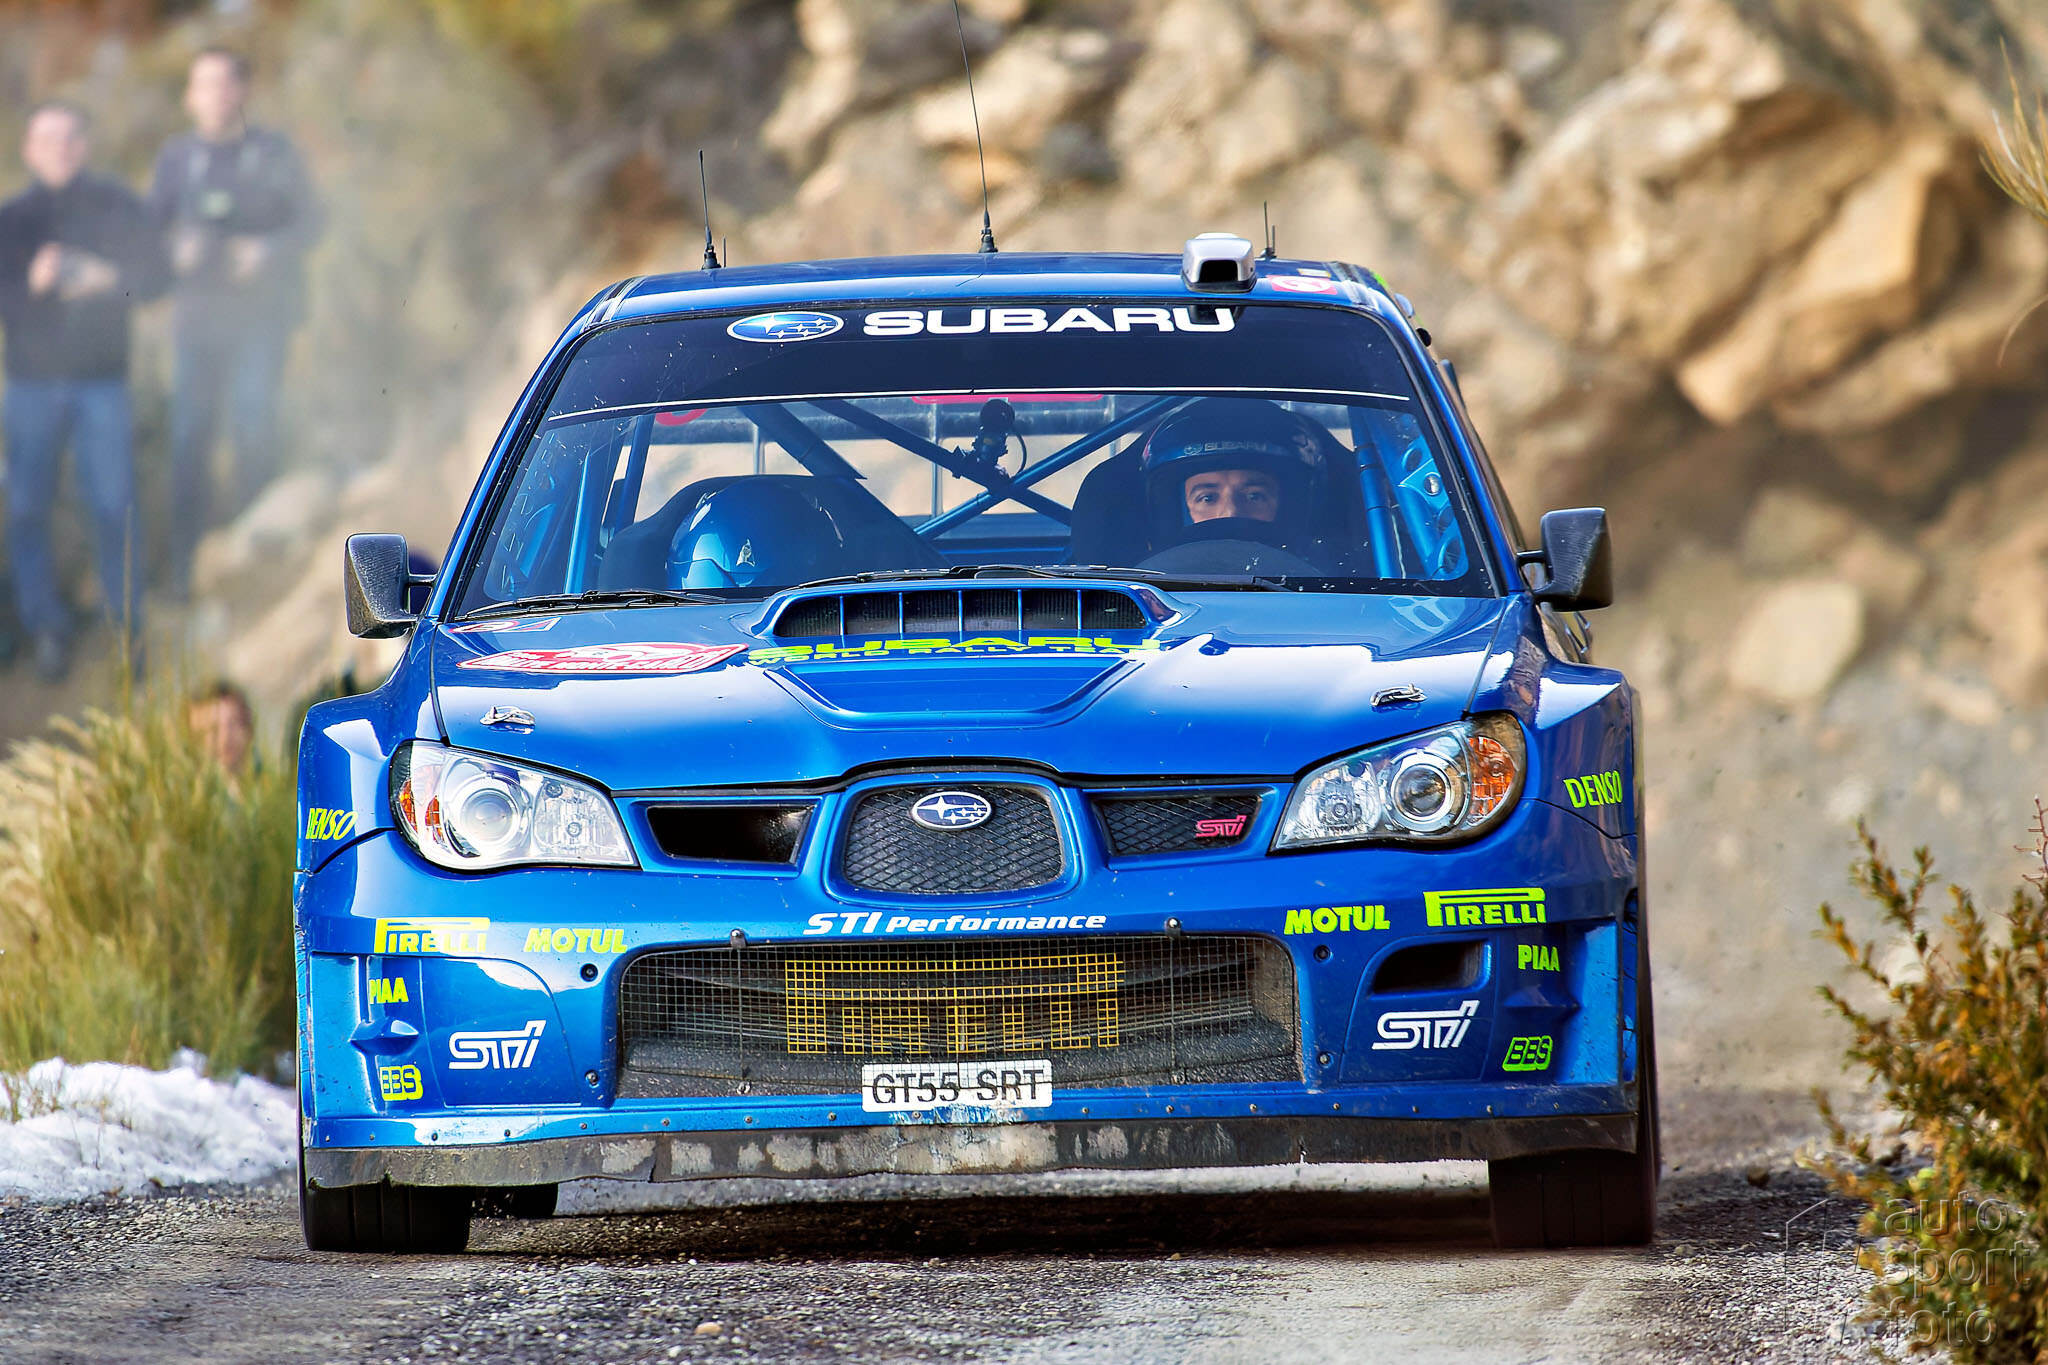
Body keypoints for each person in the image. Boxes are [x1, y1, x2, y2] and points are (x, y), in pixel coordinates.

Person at [0, 101, 168, 681]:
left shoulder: (117, 204)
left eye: (71, 137)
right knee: (28, 508)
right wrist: (33, 282)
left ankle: (127, 629)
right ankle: (46, 626)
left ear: (86, 144)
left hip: (103, 384)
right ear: (29, 149)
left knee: (114, 505)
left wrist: (109, 278)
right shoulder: (12, 218)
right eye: (48, 139)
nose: (61, 149)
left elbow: (158, 276)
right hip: (31, 388)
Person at [150, 47, 319, 598]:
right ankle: (185, 571)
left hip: (260, 321)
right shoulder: (177, 160)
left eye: (226, 83)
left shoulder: (273, 153)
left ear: (243, 90)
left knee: (253, 428)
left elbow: (312, 222)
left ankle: (256, 555)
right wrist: (176, 253)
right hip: (196, 325)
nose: (216, 95)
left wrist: (268, 250)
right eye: (204, 84)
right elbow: (148, 237)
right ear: (189, 97)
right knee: (189, 440)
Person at [1135, 398, 1331, 572]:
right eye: (1208, 498)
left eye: (1254, 496)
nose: (1230, 512)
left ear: (1291, 506)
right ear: (1176, 512)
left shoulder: (1330, 589)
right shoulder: (1141, 591)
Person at [185, 677, 255, 773]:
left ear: (249, 730)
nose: (225, 738)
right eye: (213, 729)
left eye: (233, 724)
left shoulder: (269, 778)